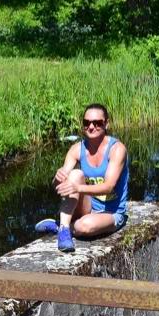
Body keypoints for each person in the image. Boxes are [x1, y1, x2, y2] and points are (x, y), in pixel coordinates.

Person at [34, 103, 129, 252]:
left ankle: (60, 226)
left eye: (97, 123)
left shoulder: (117, 150)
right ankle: (64, 231)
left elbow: (109, 186)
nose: (91, 127)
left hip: (112, 213)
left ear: (107, 123)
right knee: (75, 174)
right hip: (88, 208)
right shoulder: (77, 149)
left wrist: (78, 188)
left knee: (83, 226)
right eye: (87, 123)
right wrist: (58, 178)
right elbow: (60, 186)